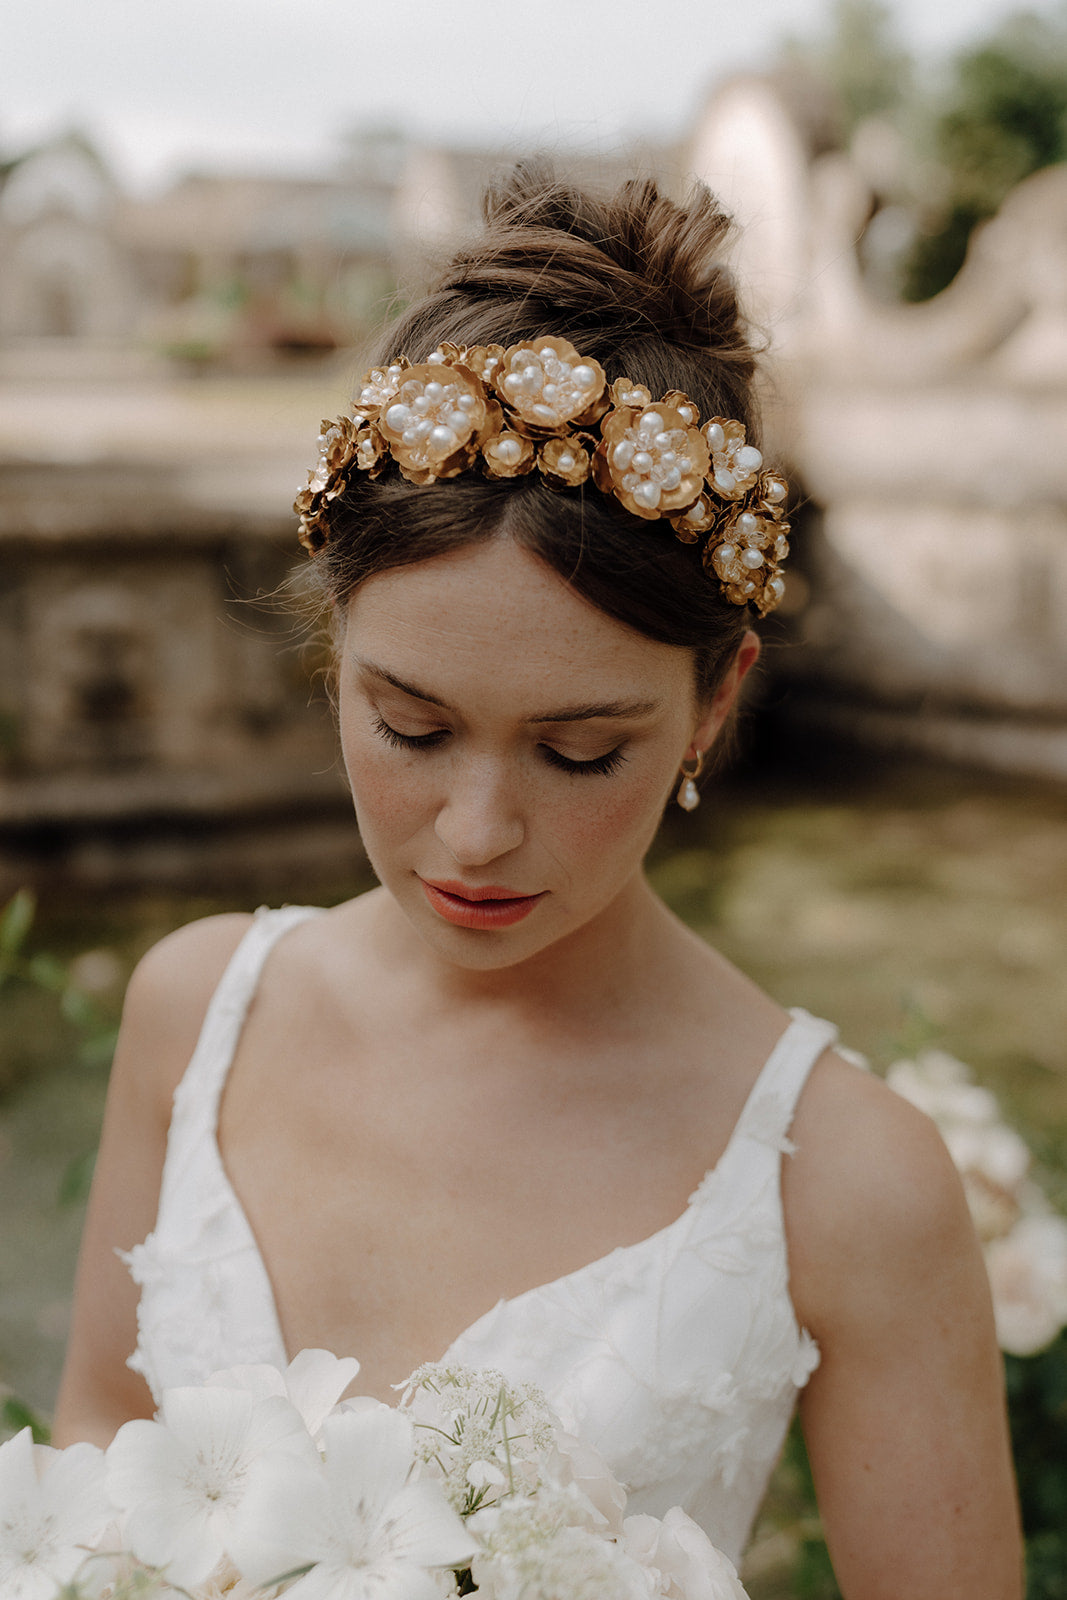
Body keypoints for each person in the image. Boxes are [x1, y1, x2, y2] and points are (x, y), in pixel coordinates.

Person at [53, 168, 1022, 1596]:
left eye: (580, 753)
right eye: (411, 727)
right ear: (334, 656)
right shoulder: (195, 1011)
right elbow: (100, 1433)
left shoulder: (851, 1186)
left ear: (712, 707)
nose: (472, 835)